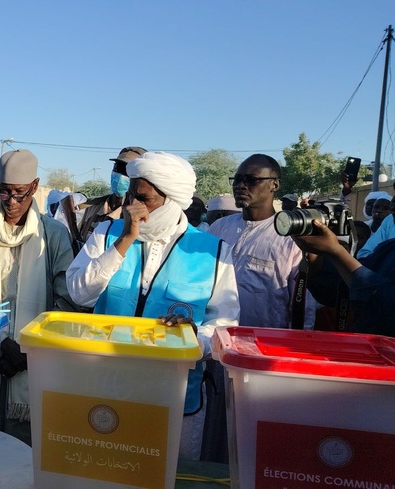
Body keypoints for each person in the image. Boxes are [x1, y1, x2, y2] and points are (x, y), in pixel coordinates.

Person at [66, 151, 239, 461]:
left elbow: (226, 324)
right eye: (131, 194)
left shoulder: (212, 250)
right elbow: (80, 294)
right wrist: (125, 240)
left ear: (171, 201)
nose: (133, 205)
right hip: (107, 388)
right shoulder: (107, 234)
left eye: (143, 198)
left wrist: (194, 338)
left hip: (175, 398)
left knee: (170, 473)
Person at [0, 149, 78, 446]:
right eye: (5, 193)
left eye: (20, 194)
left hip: (33, 362)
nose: (11, 202)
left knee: (25, 453)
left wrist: (30, 347)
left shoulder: (53, 235)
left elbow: (65, 300)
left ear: (35, 187)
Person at [208, 154, 316, 329]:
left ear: (274, 185)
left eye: (251, 180)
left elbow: (303, 305)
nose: (241, 186)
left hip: (265, 345)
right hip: (215, 339)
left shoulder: (292, 236)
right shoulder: (219, 227)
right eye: (237, 179)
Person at [293, 220, 395, 337]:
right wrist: (314, 252)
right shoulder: (388, 249)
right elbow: (338, 288)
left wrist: (336, 252)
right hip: (364, 348)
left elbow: (385, 305)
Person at [76, 146, 147, 241]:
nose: (121, 175)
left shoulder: (140, 217)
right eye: (118, 168)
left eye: (127, 171)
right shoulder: (90, 208)